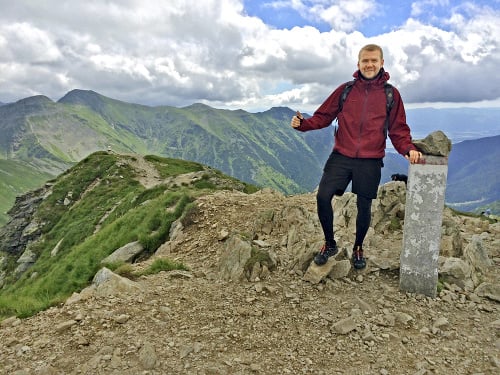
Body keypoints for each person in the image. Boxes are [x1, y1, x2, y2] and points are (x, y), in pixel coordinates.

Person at [290, 44, 422, 269]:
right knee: (323, 196)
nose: (369, 65)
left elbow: (398, 128)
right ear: (358, 64)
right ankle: (330, 243)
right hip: (341, 155)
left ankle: (358, 247)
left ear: (381, 63)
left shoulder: (391, 94)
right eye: (365, 61)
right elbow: (323, 116)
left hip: (370, 159)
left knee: (364, 205)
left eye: (373, 61)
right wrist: (303, 125)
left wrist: (408, 148)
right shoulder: (345, 90)